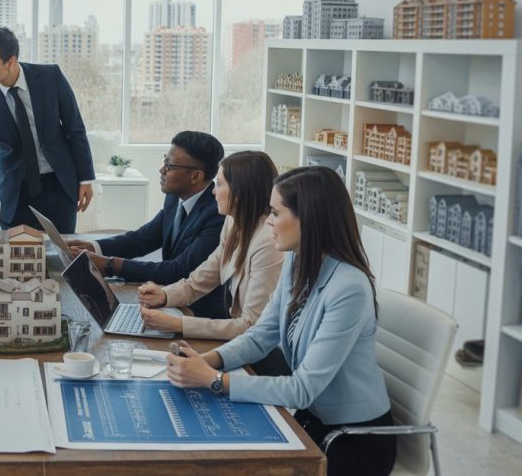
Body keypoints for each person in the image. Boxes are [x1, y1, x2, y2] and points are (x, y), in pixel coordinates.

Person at [165, 166, 396, 476]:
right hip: (313, 422)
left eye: (275, 212)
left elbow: (302, 389)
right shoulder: (298, 260)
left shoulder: (349, 288)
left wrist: (214, 380)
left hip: (352, 441)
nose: (269, 221)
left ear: (308, 219)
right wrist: (207, 361)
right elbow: (262, 334)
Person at [136, 151, 288, 375]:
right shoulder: (233, 221)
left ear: (240, 191)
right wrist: (165, 295)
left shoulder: (268, 241)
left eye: (219, 184)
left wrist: (178, 324)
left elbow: (251, 325)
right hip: (236, 344)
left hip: (262, 356)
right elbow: (203, 277)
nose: (214, 191)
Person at [68, 131, 227, 319]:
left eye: (169, 165)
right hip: (171, 301)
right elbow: (141, 239)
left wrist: (111, 265)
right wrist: (94, 247)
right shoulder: (175, 198)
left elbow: (179, 270)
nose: (161, 170)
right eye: (164, 161)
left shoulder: (217, 214)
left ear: (195, 176)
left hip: (201, 313)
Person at [0, 27, 95, 233]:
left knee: (63, 257)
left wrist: (86, 178)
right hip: (15, 196)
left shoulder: (51, 77)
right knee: (19, 262)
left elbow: (75, 129)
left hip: (59, 186)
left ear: (11, 62)